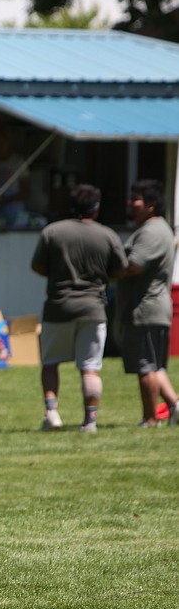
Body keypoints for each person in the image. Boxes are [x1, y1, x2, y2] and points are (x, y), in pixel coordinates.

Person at [31, 184, 128, 433]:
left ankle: (51, 412)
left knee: (51, 362)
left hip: (58, 306)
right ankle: (90, 421)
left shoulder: (52, 232)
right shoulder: (107, 235)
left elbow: (38, 267)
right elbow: (120, 269)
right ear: (96, 208)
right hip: (93, 308)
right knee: (90, 367)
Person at [114, 180, 179, 427]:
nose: (131, 203)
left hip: (146, 308)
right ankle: (175, 406)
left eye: (136, 199)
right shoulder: (158, 228)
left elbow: (132, 266)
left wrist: (106, 270)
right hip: (155, 307)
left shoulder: (151, 231)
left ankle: (150, 419)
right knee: (154, 365)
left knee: (146, 367)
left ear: (151, 205)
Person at [0, 126, 31, 228]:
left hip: (15, 213)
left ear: (8, 142)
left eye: (2, 143)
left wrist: (8, 199)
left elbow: (26, 191)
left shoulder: (17, 162)